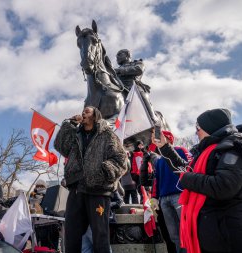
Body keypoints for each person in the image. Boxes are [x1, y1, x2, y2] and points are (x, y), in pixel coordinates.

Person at [153, 108, 242, 253]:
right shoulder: (207, 150)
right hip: (214, 230)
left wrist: (187, 178)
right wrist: (165, 148)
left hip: (229, 233)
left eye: (198, 128)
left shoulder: (234, 148)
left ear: (210, 127)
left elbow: (223, 186)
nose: (196, 132)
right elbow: (187, 169)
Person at [54, 106, 127, 253]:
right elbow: (60, 146)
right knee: (72, 234)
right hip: (76, 188)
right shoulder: (75, 134)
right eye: (82, 111)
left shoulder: (107, 135)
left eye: (87, 111)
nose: (83, 113)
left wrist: (104, 170)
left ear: (95, 116)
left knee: (100, 235)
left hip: (98, 190)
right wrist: (69, 125)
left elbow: (121, 159)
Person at [141, 131, 192, 253]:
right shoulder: (159, 159)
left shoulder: (181, 150)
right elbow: (156, 179)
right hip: (164, 199)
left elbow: (191, 167)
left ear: (167, 139)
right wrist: (154, 197)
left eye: (159, 139)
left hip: (180, 196)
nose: (157, 142)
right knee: (174, 235)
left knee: (186, 232)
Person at [115, 49, 159, 125]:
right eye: (116, 56)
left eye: (119, 54)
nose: (117, 57)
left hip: (133, 86)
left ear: (127, 55)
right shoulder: (115, 70)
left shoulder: (138, 63)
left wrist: (120, 70)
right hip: (119, 87)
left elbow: (139, 70)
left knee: (141, 94)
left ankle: (153, 120)